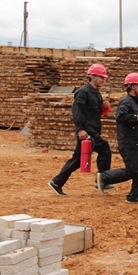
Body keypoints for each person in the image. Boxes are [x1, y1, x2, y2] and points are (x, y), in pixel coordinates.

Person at [48, 63, 113, 196]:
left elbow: (95, 112)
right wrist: (80, 129)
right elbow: (77, 111)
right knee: (105, 149)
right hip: (88, 131)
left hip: (93, 130)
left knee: (78, 160)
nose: (103, 80)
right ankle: (102, 180)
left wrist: (105, 107)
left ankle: (57, 182)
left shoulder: (96, 93)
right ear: (93, 77)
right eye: (101, 77)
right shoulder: (83, 92)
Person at [96, 73, 138, 204]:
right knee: (133, 170)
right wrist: (136, 117)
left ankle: (134, 196)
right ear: (133, 87)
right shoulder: (126, 102)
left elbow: (134, 124)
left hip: (136, 143)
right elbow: (120, 117)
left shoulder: (135, 103)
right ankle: (104, 177)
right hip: (128, 143)